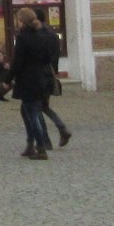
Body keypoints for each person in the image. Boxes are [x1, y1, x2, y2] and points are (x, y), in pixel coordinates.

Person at [9, 8, 55, 160]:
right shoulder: (43, 35)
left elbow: (17, 62)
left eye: (18, 20)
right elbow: (48, 58)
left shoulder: (23, 38)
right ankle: (30, 144)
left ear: (22, 21)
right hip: (41, 78)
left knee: (33, 113)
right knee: (26, 110)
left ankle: (41, 147)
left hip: (28, 80)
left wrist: (8, 78)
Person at [37, 17, 72, 148]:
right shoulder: (52, 35)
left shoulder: (40, 35)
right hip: (50, 74)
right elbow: (56, 55)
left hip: (40, 75)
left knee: (36, 108)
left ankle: (45, 140)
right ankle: (62, 129)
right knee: (44, 106)